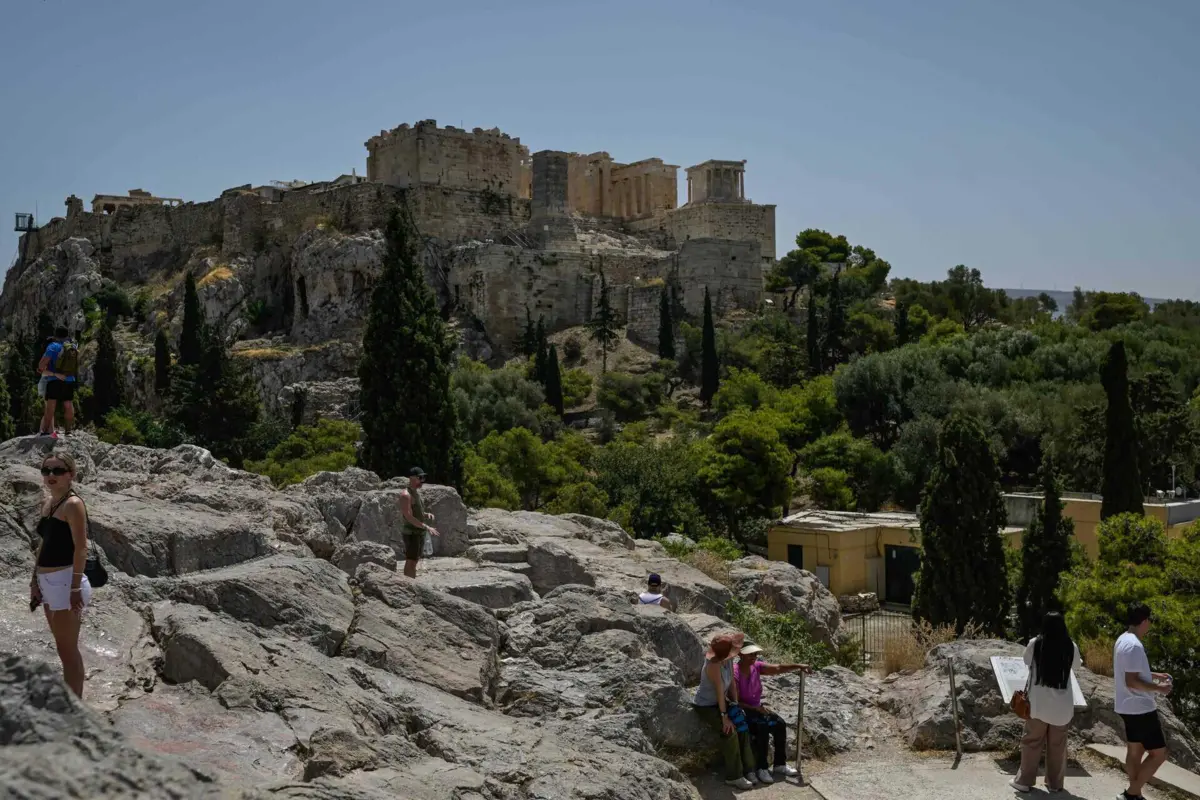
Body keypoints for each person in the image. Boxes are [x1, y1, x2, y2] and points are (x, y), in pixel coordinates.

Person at [28, 453, 91, 698]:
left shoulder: (73, 504)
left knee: (68, 651)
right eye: (46, 470)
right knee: (61, 647)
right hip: (48, 582)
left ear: (71, 474)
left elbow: (81, 548)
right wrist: (34, 580)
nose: (51, 475)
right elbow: (43, 545)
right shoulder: (50, 502)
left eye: (58, 470)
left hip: (67, 582)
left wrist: (75, 588)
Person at [1011, 612, 1082, 794]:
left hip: (1038, 705)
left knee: (1032, 742)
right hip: (1062, 707)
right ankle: (1055, 784)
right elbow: (1076, 666)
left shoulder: (1036, 643)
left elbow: (1026, 661)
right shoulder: (1070, 645)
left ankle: (1024, 781)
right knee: (1057, 747)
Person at [1114, 603, 1172, 800]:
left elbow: (1131, 672)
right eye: (1149, 622)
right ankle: (1131, 793)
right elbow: (1132, 681)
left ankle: (1134, 793)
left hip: (1126, 705)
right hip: (1140, 707)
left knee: (1135, 750)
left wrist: (1154, 675)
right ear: (1144, 621)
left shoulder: (1122, 640)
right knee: (1159, 754)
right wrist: (1160, 688)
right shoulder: (1134, 645)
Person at [733, 643, 809, 784]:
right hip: (744, 711)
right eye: (750, 654)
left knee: (779, 724)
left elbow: (778, 668)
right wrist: (756, 709)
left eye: (755, 654)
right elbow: (735, 700)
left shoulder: (756, 667)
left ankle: (780, 764)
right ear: (740, 654)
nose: (753, 657)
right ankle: (761, 768)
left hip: (758, 709)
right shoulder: (735, 672)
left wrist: (798, 666)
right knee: (762, 728)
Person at [693, 631, 757, 790]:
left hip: (721, 701)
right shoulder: (713, 665)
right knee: (730, 732)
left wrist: (735, 704)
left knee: (742, 725)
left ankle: (749, 769)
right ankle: (734, 776)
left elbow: (731, 686)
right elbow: (720, 692)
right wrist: (724, 717)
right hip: (706, 705)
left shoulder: (727, 660)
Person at [398, 466, 438, 579]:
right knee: (410, 561)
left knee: (415, 561)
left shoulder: (415, 493)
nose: (422, 481)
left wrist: (425, 515)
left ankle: (411, 582)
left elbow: (416, 511)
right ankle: (408, 584)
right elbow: (408, 516)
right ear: (411, 478)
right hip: (411, 533)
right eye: (420, 478)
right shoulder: (406, 495)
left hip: (418, 532)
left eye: (423, 478)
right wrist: (426, 527)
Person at [38, 327, 79, 438]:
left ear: (55, 336)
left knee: (51, 406)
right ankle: (68, 431)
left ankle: (46, 431)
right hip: (69, 379)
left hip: (54, 380)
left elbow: (41, 366)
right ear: (67, 335)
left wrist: (53, 373)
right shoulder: (73, 347)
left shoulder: (52, 347)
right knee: (68, 404)